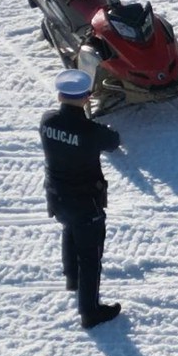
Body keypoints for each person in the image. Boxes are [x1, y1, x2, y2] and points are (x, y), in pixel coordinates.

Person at [40, 70, 122, 329]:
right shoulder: (90, 131)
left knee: (68, 229)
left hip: (57, 196)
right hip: (86, 203)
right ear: (87, 97)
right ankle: (90, 312)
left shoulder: (47, 121)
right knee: (90, 256)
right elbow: (113, 141)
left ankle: (72, 279)